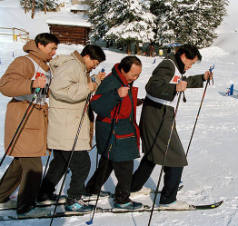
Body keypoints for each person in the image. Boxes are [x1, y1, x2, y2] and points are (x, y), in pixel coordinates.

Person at [130, 44, 213, 208]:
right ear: (182, 56)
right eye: (190, 62)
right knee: (176, 156)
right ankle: (168, 200)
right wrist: (174, 88)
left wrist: (202, 78)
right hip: (157, 114)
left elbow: (183, 81)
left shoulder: (175, 66)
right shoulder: (168, 65)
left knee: (153, 152)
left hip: (159, 113)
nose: (190, 66)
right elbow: (152, 86)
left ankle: (132, 188)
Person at [37, 45, 106, 212]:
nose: (95, 66)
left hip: (66, 124)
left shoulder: (79, 67)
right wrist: (89, 87)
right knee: (82, 164)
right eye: (95, 62)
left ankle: (44, 194)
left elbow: (74, 89)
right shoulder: (72, 65)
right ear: (87, 56)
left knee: (60, 162)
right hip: (66, 125)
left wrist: (94, 81)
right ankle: (73, 200)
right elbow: (59, 89)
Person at [0, 33, 59, 216]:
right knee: (33, 165)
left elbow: (45, 91)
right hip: (23, 117)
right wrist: (32, 83)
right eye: (52, 48)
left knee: (20, 163)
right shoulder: (24, 62)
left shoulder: (45, 67)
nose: (54, 53)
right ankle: (26, 207)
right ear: (40, 45)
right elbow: (5, 85)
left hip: (37, 118)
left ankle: (1, 197)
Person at [85, 56, 143, 210]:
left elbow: (120, 102)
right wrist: (117, 95)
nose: (135, 78)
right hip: (114, 130)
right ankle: (122, 200)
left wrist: (134, 100)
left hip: (120, 129)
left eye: (138, 75)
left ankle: (91, 189)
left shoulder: (123, 80)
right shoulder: (112, 82)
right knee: (125, 164)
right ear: (123, 70)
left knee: (108, 161)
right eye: (133, 74)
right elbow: (97, 105)